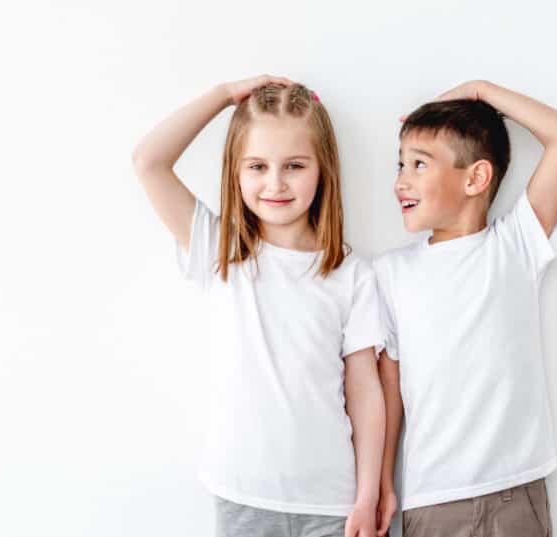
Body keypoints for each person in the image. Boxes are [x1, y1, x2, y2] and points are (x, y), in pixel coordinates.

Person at [132, 75, 385, 537]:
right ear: (235, 170)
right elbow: (149, 160)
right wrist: (224, 95)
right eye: (257, 166)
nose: (275, 183)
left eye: (294, 165)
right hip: (242, 493)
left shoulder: (352, 275)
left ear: (323, 168)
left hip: (332, 502)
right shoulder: (220, 250)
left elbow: (365, 393)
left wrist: (367, 496)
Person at [373, 80, 557, 537]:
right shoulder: (391, 273)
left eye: (418, 164)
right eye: (400, 164)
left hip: (516, 491)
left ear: (476, 178)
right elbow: (390, 386)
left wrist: (481, 91)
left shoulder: (514, 246)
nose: (400, 181)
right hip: (433, 499)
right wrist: (384, 484)